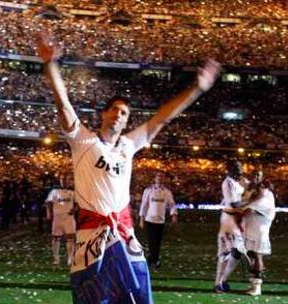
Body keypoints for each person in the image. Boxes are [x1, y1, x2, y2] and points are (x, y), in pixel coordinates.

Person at [37, 31, 221, 304]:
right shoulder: (83, 140)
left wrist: (198, 88)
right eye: (115, 109)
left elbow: (162, 118)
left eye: (124, 113)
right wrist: (50, 64)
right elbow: (63, 104)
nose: (119, 115)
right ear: (103, 113)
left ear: (126, 121)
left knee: (135, 298)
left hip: (124, 236)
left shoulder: (128, 144)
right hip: (91, 236)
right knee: (92, 299)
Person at [214, 159, 248, 293]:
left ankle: (222, 281)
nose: (240, 169)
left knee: (237, 250)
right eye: (237, 167)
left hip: (237, 219)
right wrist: (250, 202)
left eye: (241, 166)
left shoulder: (239, 181)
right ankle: (219, 283)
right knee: (226, 251)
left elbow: (250, 191)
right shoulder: (227, 183)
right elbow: (234, 203)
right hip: (229, 219)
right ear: (230, 169)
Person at [241, 179, 276, 296]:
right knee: (252, 255)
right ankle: (253, 284)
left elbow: (243, 206)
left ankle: (257, 286)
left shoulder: (265, 199)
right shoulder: (263, 197)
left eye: (262, 186)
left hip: (259, 232)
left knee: (257, 256)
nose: (259, 188)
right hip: (253, 231)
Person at [139, 172, 177, 269]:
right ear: (155, 178)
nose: (160, 178)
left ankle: (154, 260)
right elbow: (144, 204)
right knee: (151, 241)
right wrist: (142, 218)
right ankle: (153, 260)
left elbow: (171, 204)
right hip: (149, 219)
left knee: (157, 242)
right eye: (158, 176)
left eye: (162, 177)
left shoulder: (166, 192)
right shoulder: (148, 191)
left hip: (160, 220)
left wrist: (173, 214)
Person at [45, 174, 77, 266]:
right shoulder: (54, 192)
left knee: (70, 238)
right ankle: (56, 259)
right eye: (62, 179)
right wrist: (49, 214)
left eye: (67, 179)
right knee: (56, 238)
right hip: (57, 217)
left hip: (68, 218)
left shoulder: (73, 193)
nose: (65, 181)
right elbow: (48, 202)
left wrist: (74, 210)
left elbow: (78, 204)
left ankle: (70, 259)